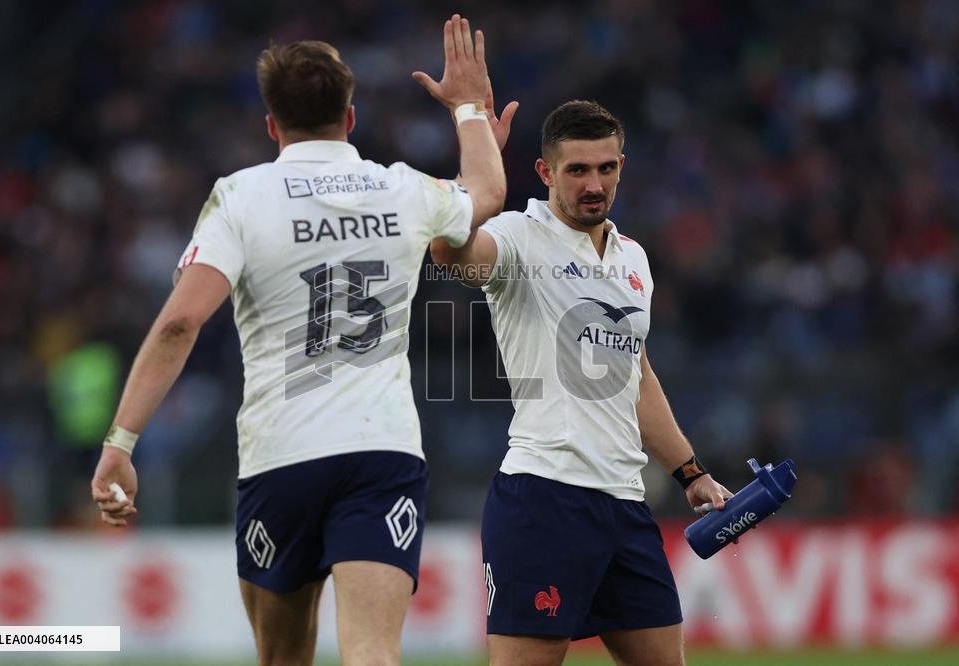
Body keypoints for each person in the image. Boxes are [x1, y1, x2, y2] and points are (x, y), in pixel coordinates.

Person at [90, 15, 513, 666]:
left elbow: (179, 322)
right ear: (350, 117)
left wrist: (121, 442)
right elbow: (487, 190)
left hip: (280, 458)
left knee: (281, 657)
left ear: (270, 124)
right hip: (381, 452)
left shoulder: (241, 197)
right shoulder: (403, 188)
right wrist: (467, 110)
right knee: (373, 652)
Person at [430, 100, 732, 666]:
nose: (594, 184)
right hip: (545, 498)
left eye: (606, 168)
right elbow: (448, 251)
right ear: (546, 173)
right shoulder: (519, 238)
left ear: (622, 165)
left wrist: (690, 472)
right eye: (577, 170)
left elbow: (635, 376)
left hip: (625, 503)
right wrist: (480, 167)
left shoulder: (633, 259)